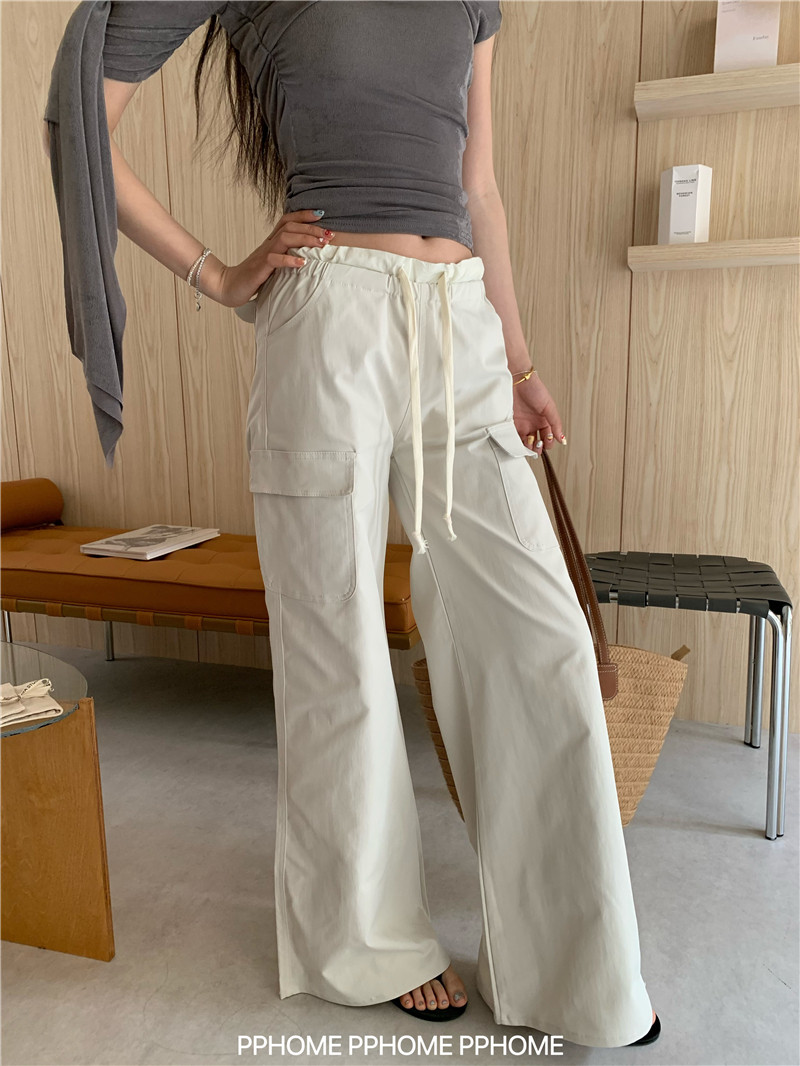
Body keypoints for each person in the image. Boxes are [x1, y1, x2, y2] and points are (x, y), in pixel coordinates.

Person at [43, 0, 660, 1048]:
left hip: (460, 317)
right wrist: (215, 274)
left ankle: (577, 969)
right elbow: (77, 122)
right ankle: (366, 944)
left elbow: (477, 187)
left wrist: (517, 361)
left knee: (542, 641)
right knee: (338, 649)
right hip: (328, 317)